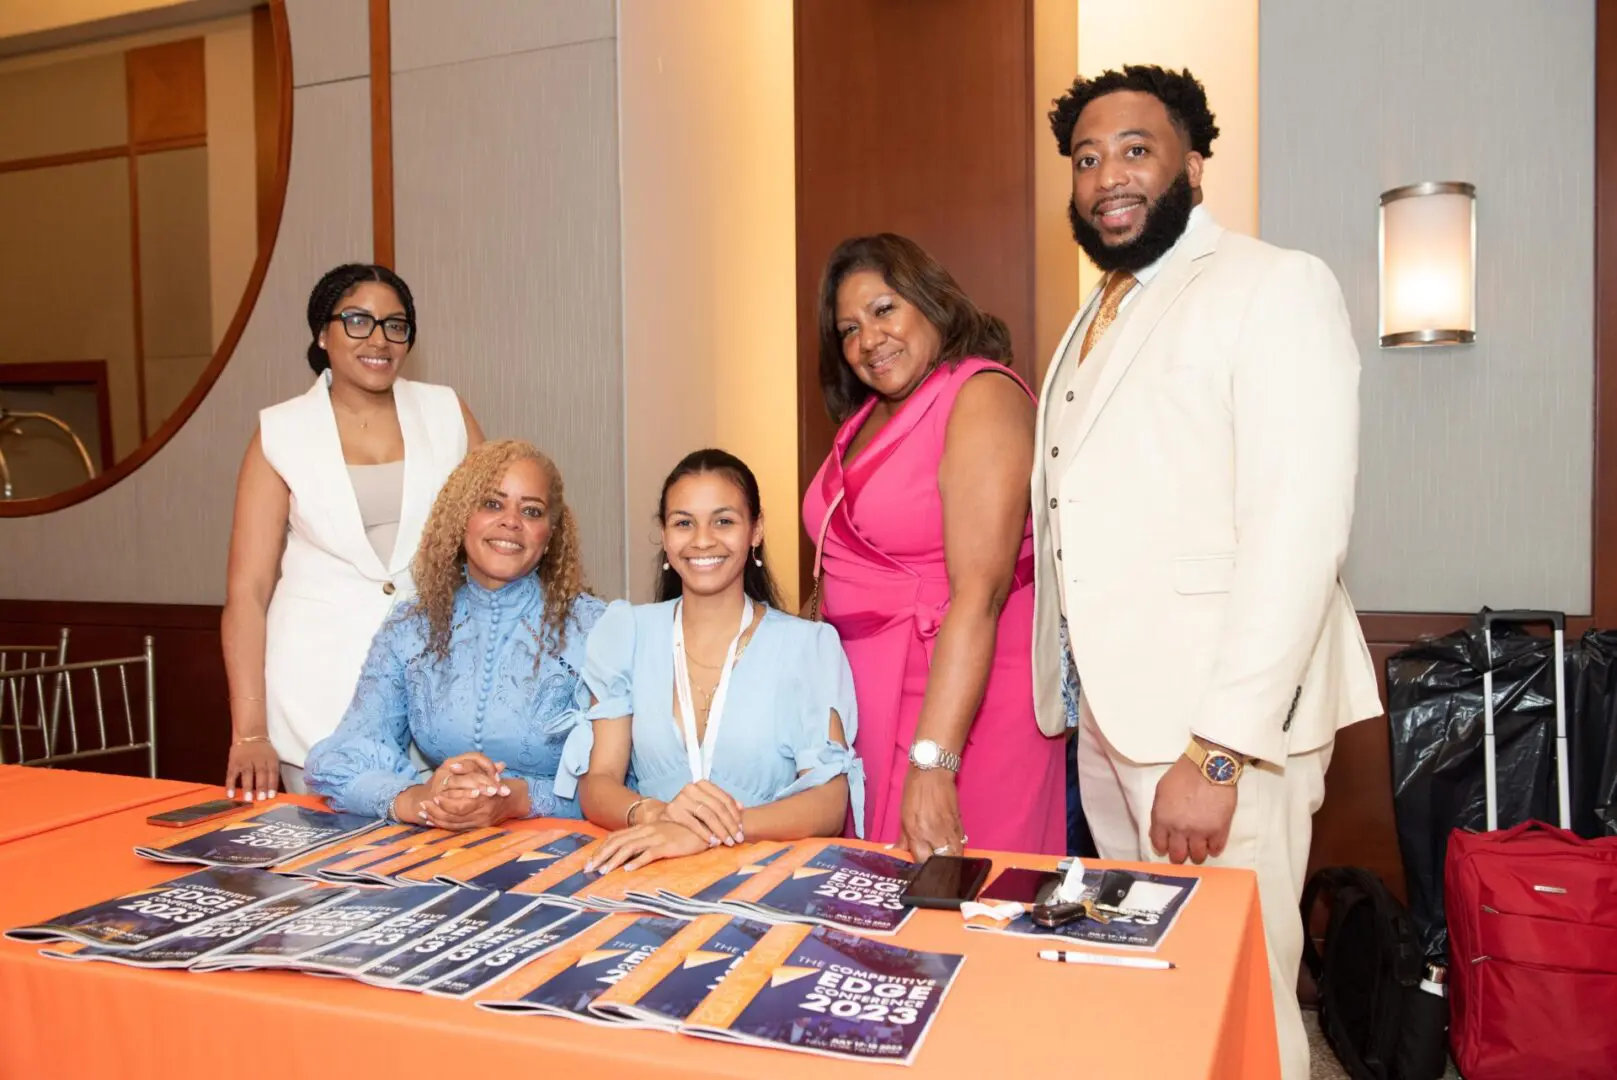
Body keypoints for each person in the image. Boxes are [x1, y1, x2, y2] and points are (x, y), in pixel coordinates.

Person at [1032, 65, 1381, 1080]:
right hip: (1113, 722)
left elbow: (1299, 528)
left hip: (1217, 736)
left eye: (1136, 149)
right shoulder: (1098, 314)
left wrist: (1220, 750)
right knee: (1161, 991)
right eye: (1087, 160)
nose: (1108, 177)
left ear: (1194, 159)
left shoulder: (1275, 284)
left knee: (1244, 1006)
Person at [801, 234, 1065, 861]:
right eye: (848, 329)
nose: (868, 339)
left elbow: (981, 594)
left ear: (932, 302)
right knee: (869, 919)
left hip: (961, 705)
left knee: (965, 908)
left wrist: (935, 761)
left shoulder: (981, 395)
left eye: (884, 309)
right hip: (865, 702)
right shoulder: (864, 417)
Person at [221, 264, 483, 802]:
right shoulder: (281, 430)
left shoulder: (445, 411)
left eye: (395, 325)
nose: (379, 340)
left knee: (435, 861)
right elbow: (247, 592)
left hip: (435, 682)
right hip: (314, 688)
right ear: (323, 333)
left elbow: (498, 532)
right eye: (358, 321)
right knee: (325, 866)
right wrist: (250, 731)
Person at [560, 449, 860, 873]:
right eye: (684, 522)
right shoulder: (626, 632)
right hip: (647, 875)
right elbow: (599, 784)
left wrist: (709, 831)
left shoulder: (806, 647)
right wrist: (657, 816)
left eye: (724, 521)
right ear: (664, 536)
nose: (703, 540)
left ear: (755, 530)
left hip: (768, 881)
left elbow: (829, 803)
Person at [305, 439, 603, 826]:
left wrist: (520, 798)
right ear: (461, 517)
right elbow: (339, 760)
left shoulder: (598, 630)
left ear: (550, 536)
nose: (511, 521)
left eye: (531, 511)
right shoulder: (412, 627)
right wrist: (420, 800)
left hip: (564, 858)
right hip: (441, 849)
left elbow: (627, 785)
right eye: (492, 504)